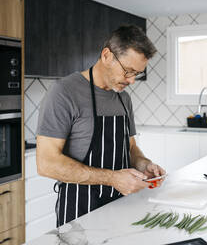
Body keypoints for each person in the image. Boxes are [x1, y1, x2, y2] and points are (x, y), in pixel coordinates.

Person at [36, 25, 165, 227]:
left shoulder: (124, 98)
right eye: (128, 71)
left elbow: (130, 147)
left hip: (122, 205)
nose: (131, 80)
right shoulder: (64, 92)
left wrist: (144, 164)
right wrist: (113, 178)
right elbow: (46, 163)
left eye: (137, 74)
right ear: (107, 55)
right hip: (79, 210)